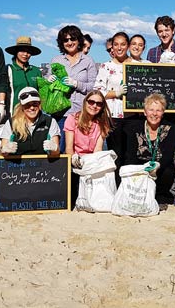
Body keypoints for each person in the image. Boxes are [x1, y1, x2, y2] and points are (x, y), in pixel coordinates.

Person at [48, 25, 98, 151]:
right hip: (60, 113)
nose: (69, 42)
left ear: (79, 40)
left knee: (80, 148)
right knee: (60, 149)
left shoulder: (88, 61)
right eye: (66, 40)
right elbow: (47, 85)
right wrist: (49, 81)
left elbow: (94, 86)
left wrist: (77, 84)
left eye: (72, 39)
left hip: (81, 113)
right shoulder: (56, 60)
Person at [123, 93, 175, 204]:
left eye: (158, 110)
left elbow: (168, 155)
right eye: (151, 110)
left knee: (168, 171)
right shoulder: (135, 128)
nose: (154, 114)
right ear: (144, 112)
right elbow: (130, 155)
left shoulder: (170, 128)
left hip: (160, 169)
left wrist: (157, 166)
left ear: (163, 113)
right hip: (140, 168)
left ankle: (160, 195)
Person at [64, 90, 113, 199]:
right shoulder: (72, 119)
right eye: (91, 102)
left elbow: (98, 149)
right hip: (75, 158)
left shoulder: (103, 123)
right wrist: (73, 157)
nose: (94, 106)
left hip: (91, 160)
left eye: (99, 104)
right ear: (85, 102)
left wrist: (92, 163)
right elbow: (68, 146)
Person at [93, 31, 131, 170]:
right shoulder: (105, 66)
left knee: (131, 155)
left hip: (133, 115)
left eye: (123, 44)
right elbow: (98, 91)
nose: (119, 48)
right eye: (116, 45)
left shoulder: (136, 65)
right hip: (112, 116)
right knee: (116, 155)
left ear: (128, 46)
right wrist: (116, 93)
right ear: (112, 47)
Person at [0, 87, 60, 156]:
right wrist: (5, 150)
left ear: (39, 104)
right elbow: (2, 154)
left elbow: (56, 153)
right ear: (21, 106)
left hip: (44, 165)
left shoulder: (50, 121)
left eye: (35, 104)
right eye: (27, 105)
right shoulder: (11, 123)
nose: (32, 108)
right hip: (17, 165)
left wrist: (54, 149)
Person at [5, 36, 42, 117]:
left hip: (33, 114)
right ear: (16, 52)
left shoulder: (36, 71)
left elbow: (41, 93)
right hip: (15, 114)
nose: (25, 54)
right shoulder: (8, 70)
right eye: (22, 51)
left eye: (28, 51)